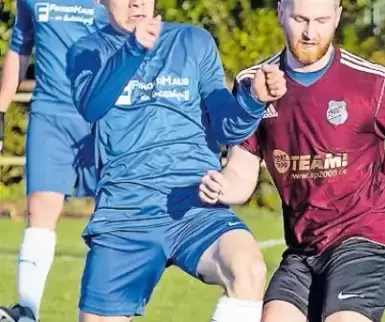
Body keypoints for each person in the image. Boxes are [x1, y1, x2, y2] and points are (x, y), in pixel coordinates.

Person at [198, 0, 385, 322]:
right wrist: (221, 187)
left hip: (370, 234)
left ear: (337, 16)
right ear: (280, 12)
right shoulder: (255, 85)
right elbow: (241, 171)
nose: (309, 32)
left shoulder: (371, 83)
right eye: (300, 19)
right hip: (305, 247)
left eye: (321, 20)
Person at [65, 0, 287, 321]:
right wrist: (134, 49)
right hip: (126, 214)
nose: (136, 3)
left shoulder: (192, 41)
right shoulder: (87, 50)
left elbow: (226, 126)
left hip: (194, 206)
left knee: (247, 267)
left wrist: (253, 101)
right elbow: (92, 105)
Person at [0, 1, 108, 321]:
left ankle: (102, 312)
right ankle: (27, 312)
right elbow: (20, 47)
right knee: (40, 208)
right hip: (49, 116)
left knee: (112, 215)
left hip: (101, 116)